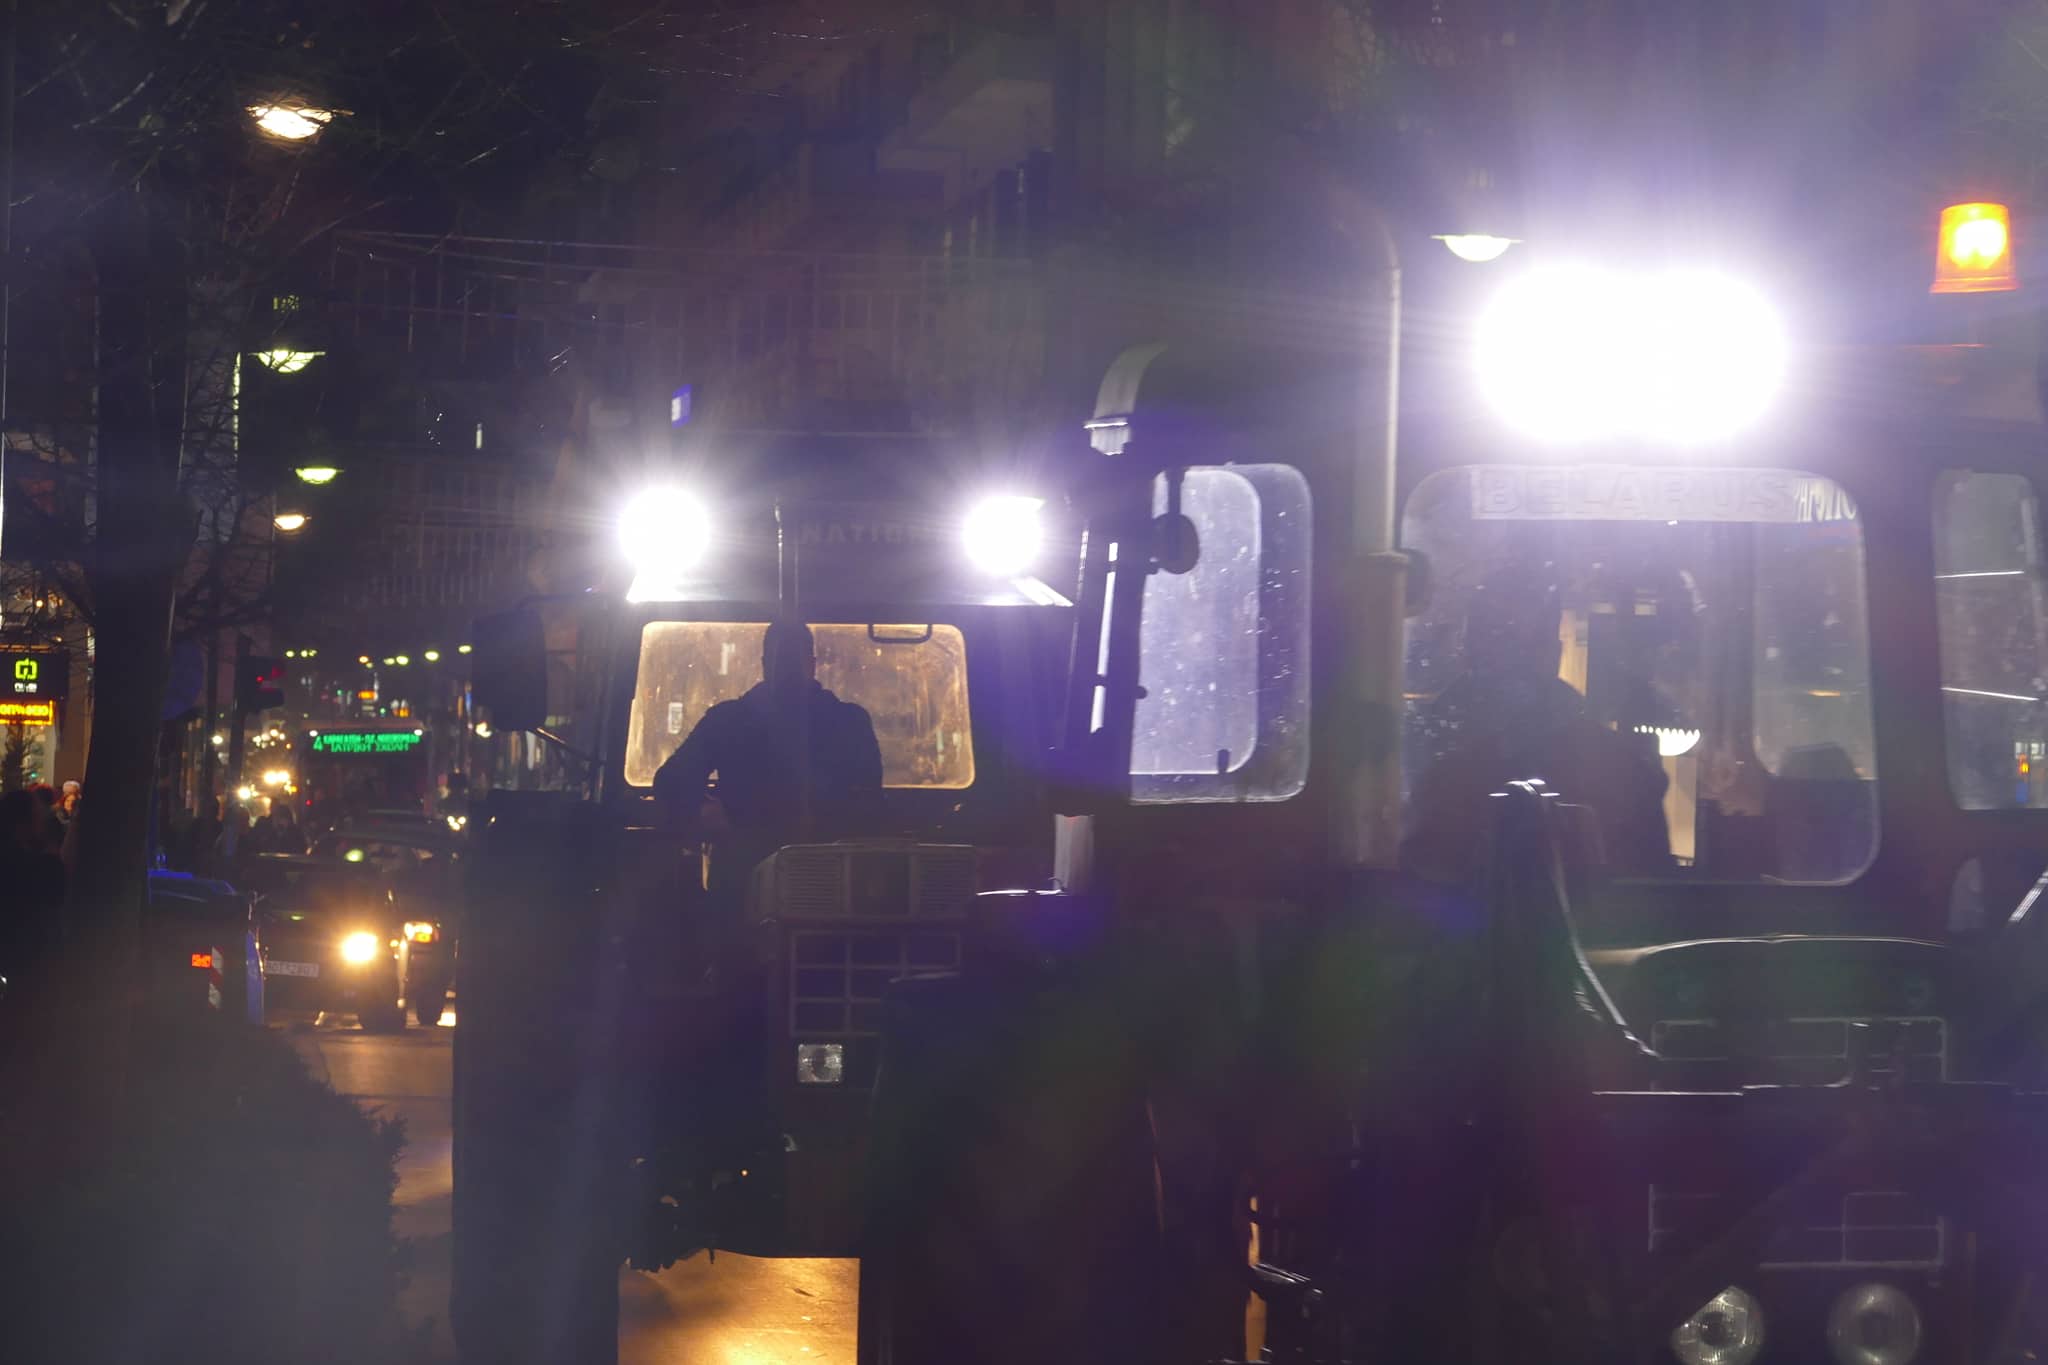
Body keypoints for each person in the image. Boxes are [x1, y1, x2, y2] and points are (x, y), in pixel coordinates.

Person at [1405, 569, 1672, 880]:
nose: (1510, 659)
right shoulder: (1620, 768)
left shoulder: (1437, 762)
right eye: (1500, 640)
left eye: (1523, 643)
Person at [653, 620, 885, 913]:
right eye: (782, 659)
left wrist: (709, 815)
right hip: (807, 878)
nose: (787, 668)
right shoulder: (848, 722)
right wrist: (704, 812)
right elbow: (671, 783)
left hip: (802, 876)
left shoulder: (729, 720)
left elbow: (868, 799)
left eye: (792, 659)